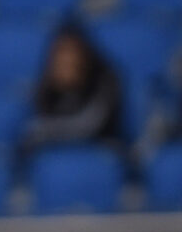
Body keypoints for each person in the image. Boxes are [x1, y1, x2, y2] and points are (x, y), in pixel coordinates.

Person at [22, 22, 122, 150]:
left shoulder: (106, 80)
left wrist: (45, 130)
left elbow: (91, 125)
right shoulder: (48, 85)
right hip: (57, 156)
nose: (66, 60)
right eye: (61, 54)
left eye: (72, 53)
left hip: (98, 153)